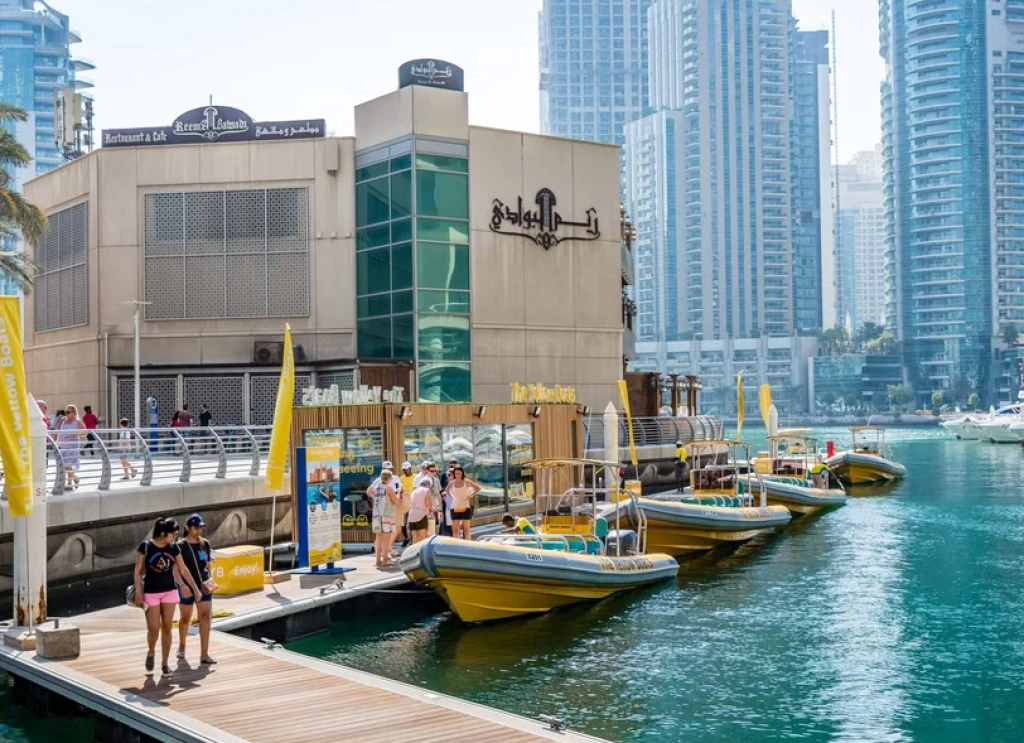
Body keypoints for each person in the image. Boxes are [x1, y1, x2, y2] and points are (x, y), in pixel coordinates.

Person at [133, 517, 202, 676]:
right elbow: (137, 570)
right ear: (163, 533)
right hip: (151, 591)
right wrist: (138, 591)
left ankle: (164, 664)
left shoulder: (173, 548)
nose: (175, 538)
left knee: (167, 627)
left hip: (169, 590)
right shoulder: (146, 546)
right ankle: (151, 651)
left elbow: (183, 570)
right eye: (173, 534)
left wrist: (194, 589)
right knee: (153, 629)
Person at [176, 514, 217, 666]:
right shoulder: (180, 546)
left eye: (200, 527)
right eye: (195, 527)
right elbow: (177, 568)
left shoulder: (204, 544)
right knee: (185, 618)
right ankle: (182, 644)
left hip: (203, 583)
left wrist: (211, 581)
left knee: (205, 616)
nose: (198, 530)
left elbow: (207, 564)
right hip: (187, 585)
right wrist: (182, 585)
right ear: (187, 528)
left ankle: (204, 654)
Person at [368, 470, 400, 566]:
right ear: (389, 478)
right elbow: (397, 501)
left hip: (377, 514)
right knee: (386, 538)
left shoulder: (377, 487)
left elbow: (370, 493)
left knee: (378, 538)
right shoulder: (388, 488)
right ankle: (385, 559)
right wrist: (398, 492)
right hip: (386, 514)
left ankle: (378, 559)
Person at [444, 466, 481, 540]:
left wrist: (470, 495)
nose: (457, 475)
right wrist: (452, 496)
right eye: (456, 473)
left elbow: (478, 488)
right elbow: (447, 490)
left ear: (462, 474)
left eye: (459, 473)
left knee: (466, 530)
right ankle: (457, 546)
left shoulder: (466, 481)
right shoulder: (452, 483)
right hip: (454, 508)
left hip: (465, 508)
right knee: (455, 530)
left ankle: (468, 546)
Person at [56, 405, 85, 490]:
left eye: (68, 412)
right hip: (63, 445)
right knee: (65, 465)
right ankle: (75, 478)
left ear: (73, 413)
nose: (66, 414)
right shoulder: (62, 420)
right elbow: (57, 431)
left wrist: (77, 434)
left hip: (73, 445)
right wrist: (56, 441)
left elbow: (85, 432)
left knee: (68, 464)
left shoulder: (77, 421)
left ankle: (69, 483)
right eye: (66, 412)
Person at [407, 478, 433, 544]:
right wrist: (432, 508)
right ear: (429, 484)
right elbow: (427, 503)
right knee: (423, 538)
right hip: (421, 515)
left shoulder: (413, 492)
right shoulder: (427, 490)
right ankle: (421, 554)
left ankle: (414, 553)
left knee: (414, 538)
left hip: (412, 516)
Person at [398, 462, 416, 547]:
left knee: (411, 522)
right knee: (403, 523)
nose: (405, 471)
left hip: (413, 502)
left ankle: (412, 539)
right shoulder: (401, 478)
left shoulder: (415, 477)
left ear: (410, 468)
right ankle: (406, 538)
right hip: (404, 502)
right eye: (404, 469)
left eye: (406, 469)